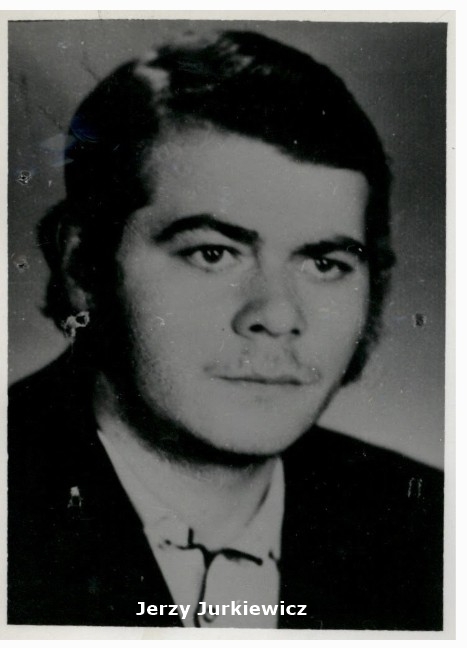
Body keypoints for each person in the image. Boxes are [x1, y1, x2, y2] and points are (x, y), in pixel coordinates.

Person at [8, 30, 443, 630]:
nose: (277, 315)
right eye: (212, 253)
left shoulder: (431, 525)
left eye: (324, 264)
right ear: (84, 265)